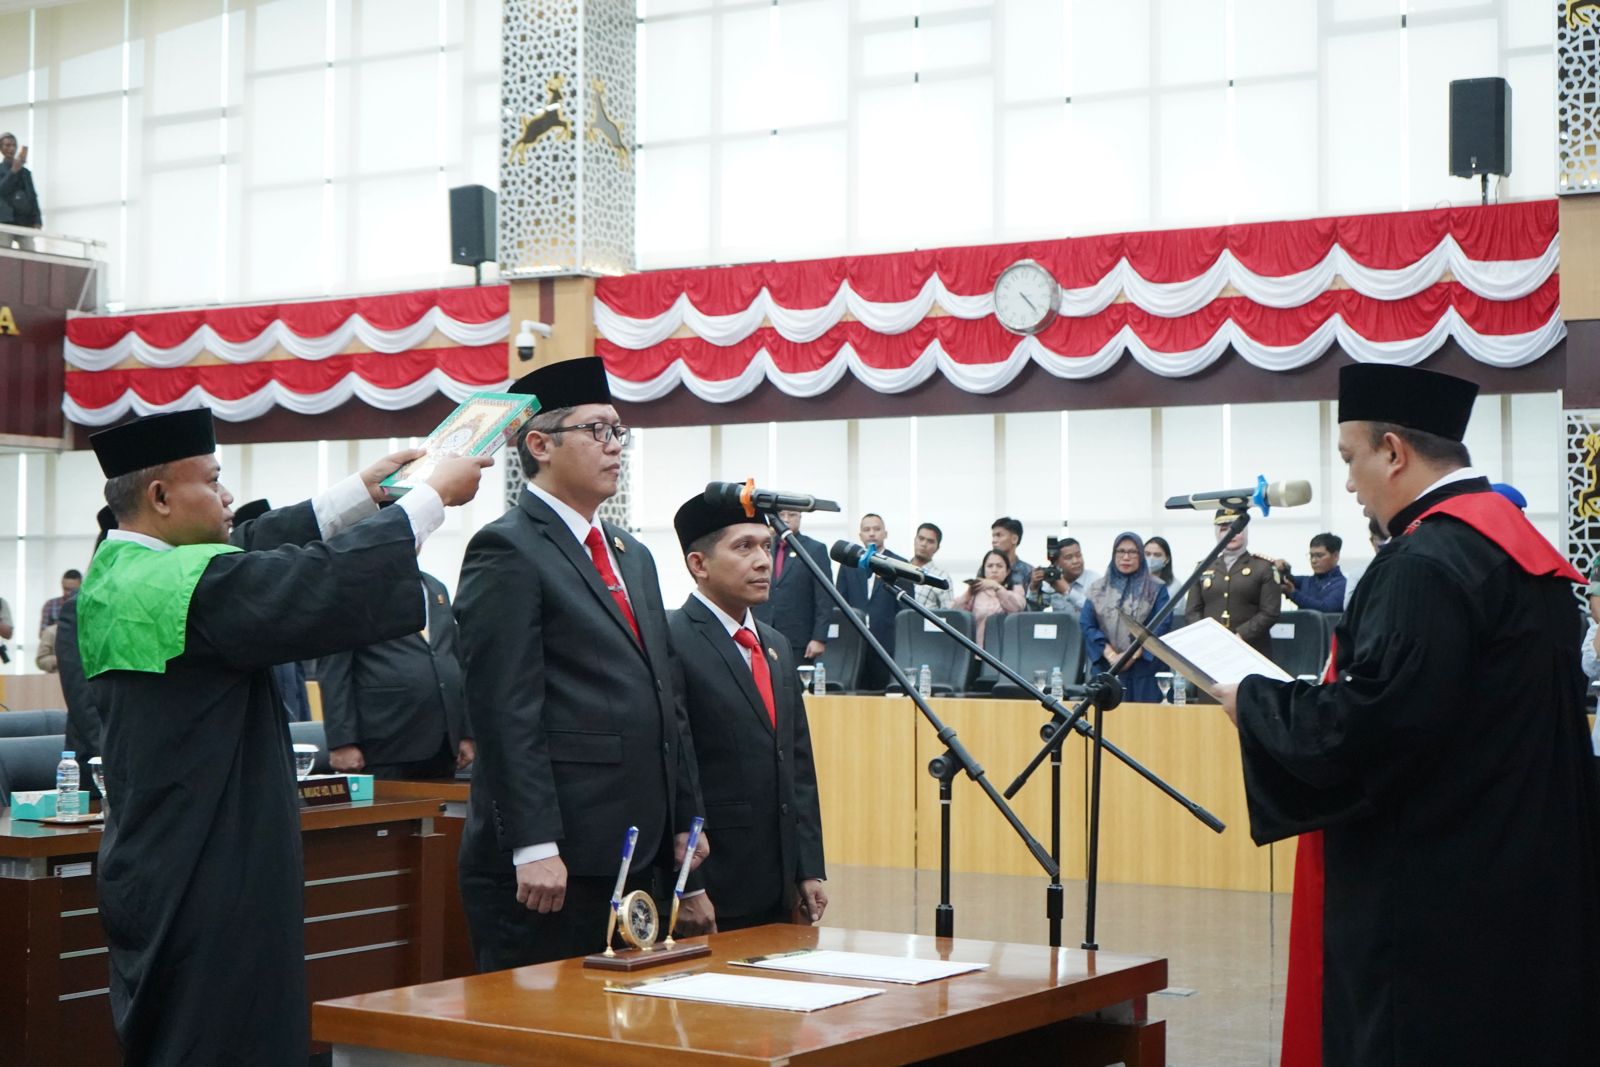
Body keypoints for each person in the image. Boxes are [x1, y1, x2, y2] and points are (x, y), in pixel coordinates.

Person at [77, 408, 488, 1066]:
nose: (228, 496)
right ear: (159, 497)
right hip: (204, 865)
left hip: (165, 852)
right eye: (213, 481)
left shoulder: (129, 571)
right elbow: (306, 580)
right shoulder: (180, 585)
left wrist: (364, 493)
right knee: (219, 1038)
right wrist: (431, 499)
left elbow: (254, 544)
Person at [1216, 363, 1600, 1067]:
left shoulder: (1423, 563)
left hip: (1436, 902)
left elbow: (1379, 726)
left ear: (1393, 451)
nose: (1349, 482)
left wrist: (1254, 700)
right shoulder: (1517, 551)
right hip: (1520, 874)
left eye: (1351, 459)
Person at [455, 357, 708, 971]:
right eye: (597, 431)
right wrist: (533, 842)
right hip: (555, 856)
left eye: (620, 431)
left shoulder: (633, 554)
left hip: (637, 848)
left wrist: (683, 827)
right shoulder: (508, 547)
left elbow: (665, 697)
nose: (615, 446)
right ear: (539, 444)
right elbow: (505, 708)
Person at [667, 494, 827, 932]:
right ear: (698, 564)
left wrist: (808, 866)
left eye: (767, 546)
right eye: (744, 547)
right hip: (716, 881)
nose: (763, 561)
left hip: (777, 880)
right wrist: (690, 886)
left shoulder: (774, 644)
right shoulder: (671, 640)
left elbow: (797, 761)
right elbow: (675, 771)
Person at [320, 566, 475, 779]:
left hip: (442, 743)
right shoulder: (352, 588)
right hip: (386, 742)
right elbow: (334, 671)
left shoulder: (435, 587)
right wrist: (341, 742)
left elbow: (454, 659)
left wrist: (466, 733)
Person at [1080, 532, 1171, 703]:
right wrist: (1111, 655)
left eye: (1132, 552)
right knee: (1106, 723)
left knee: (1145, 723)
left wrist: (1132, 655)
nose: (1126, 557)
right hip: (1107, 667)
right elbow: (1087, 624)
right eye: (1120, 551)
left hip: (1145, 669)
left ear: (1141, 556)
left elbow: (1161, 625)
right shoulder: (1097, 589)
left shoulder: (1157, 588)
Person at [1185, 508, 1281, 656]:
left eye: (1237, 529)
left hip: (1251, 648)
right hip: (1210, 648)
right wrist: (1206, 636)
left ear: (1246, 531)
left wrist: (1240, 635)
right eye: (1224, 529)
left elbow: (1270, 612)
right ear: (1217, 532)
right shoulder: (1203, 567)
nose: (1231, 534)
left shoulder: (1263, 567)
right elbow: (1192, 610)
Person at [834, 512, 908, 690]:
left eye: (876, 529)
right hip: (855, 642)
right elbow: (840, 603)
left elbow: (905, 610)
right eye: (867, 529)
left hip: (887, 642)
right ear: (860, 535)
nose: (872, 533)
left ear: (885, 533)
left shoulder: (899, 564)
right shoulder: (848, 565)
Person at [751, 506, 833, 664]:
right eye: (781, 515)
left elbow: (824, 598)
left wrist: (819, 638)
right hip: (761, 631)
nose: (786, 519)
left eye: (792, 515)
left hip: (798, 637)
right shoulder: (762, 549)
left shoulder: (814, 549)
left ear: (800, 517)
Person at [952, 549, 1026, 646]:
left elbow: (1016, 608)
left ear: (1007, 571)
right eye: (990, 566)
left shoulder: (1016, 589)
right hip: (978, 649)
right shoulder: (975, 593)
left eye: (999, 566)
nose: (994, 570)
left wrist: (997, 587)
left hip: (1006, 648)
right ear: (984, 570)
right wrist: (968, 594)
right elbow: (954, 613)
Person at [1275, 534, 1346, 614]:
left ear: (1336, 556)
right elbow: (1283, 579)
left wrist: (1293, 594)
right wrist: (1280, 568)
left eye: (1319, 556)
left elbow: (1326, 608)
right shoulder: (1306, 581)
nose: (1313, 560)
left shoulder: (1343, 585)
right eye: (1311, 556)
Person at [1027, 536, 1096, 615]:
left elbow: (1097, 611)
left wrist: (1068, 592)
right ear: (1057, 563)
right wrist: (1034, 589)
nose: (1075, 561)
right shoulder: (1053, 580)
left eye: (1078, 555)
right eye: (1069, 557)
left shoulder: (1095, 581)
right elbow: (1034, 612)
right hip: (1061, 626)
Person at [0, 133, 41, 249]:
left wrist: (37, 219)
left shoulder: (25, 173)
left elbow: (33, 196)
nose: (11, 148)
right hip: (4, 220)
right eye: (7, 145)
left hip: (24, 220)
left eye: (14, 145)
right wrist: (13, 172)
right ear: (1, 148)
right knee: (4, 255)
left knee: (29, 251)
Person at [908, 522, 953, 610]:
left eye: (930, 541)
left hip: (924, 622)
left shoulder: (942, 577)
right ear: (914, 540)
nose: (924, 544)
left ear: (937, 547)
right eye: (921, 538)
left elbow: (948, 612)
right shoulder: (900, 567)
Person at [1142, 536, 1184, 617]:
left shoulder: (1174, 587)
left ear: (1167, 559)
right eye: (1147, 554)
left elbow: (1176, 618)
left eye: (1157, 555)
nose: (1151, 558)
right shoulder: (1134, 582)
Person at [990, 516, 1033, 589]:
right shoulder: (987, 568)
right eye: (993, 536)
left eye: (999, 535)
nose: (994, 540)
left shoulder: (1028, 572)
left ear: (1014, 539)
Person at [39, 569, 82, 634]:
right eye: (66, 589)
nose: (68, 593)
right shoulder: (50, 605)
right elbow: (43, 633)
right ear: (62, 584)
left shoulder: (85, 606)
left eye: (72, 590)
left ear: (81, 586)